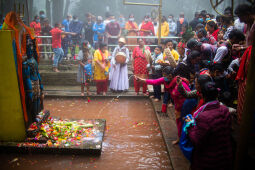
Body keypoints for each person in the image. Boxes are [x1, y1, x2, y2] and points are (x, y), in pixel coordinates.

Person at [185, 81, 233, 170]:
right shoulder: (224, 110)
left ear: (203, 96)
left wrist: (190, 125)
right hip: (225, 156)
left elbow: (196, 140)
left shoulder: (204, 116)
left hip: (209, 160)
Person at [137, 66, 190, 144]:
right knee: (179, 121)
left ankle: (183, 139)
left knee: (183, 120)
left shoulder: (180, 83)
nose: (163, 77)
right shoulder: (167, 79)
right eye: (163, 75)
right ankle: (181, 137)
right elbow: (154, 82)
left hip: (186, 103)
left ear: (170, 76)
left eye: (164, 75)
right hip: (177, 103)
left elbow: (188, 95)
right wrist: (142, 80)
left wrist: (180, 108)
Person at [234, 4, 255, 123]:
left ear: (248, 14)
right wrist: (242, 47)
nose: (240, 20)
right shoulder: (248, 25)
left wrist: (243, 48)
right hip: (247, 58)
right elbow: (249, 43)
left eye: (241, 17)